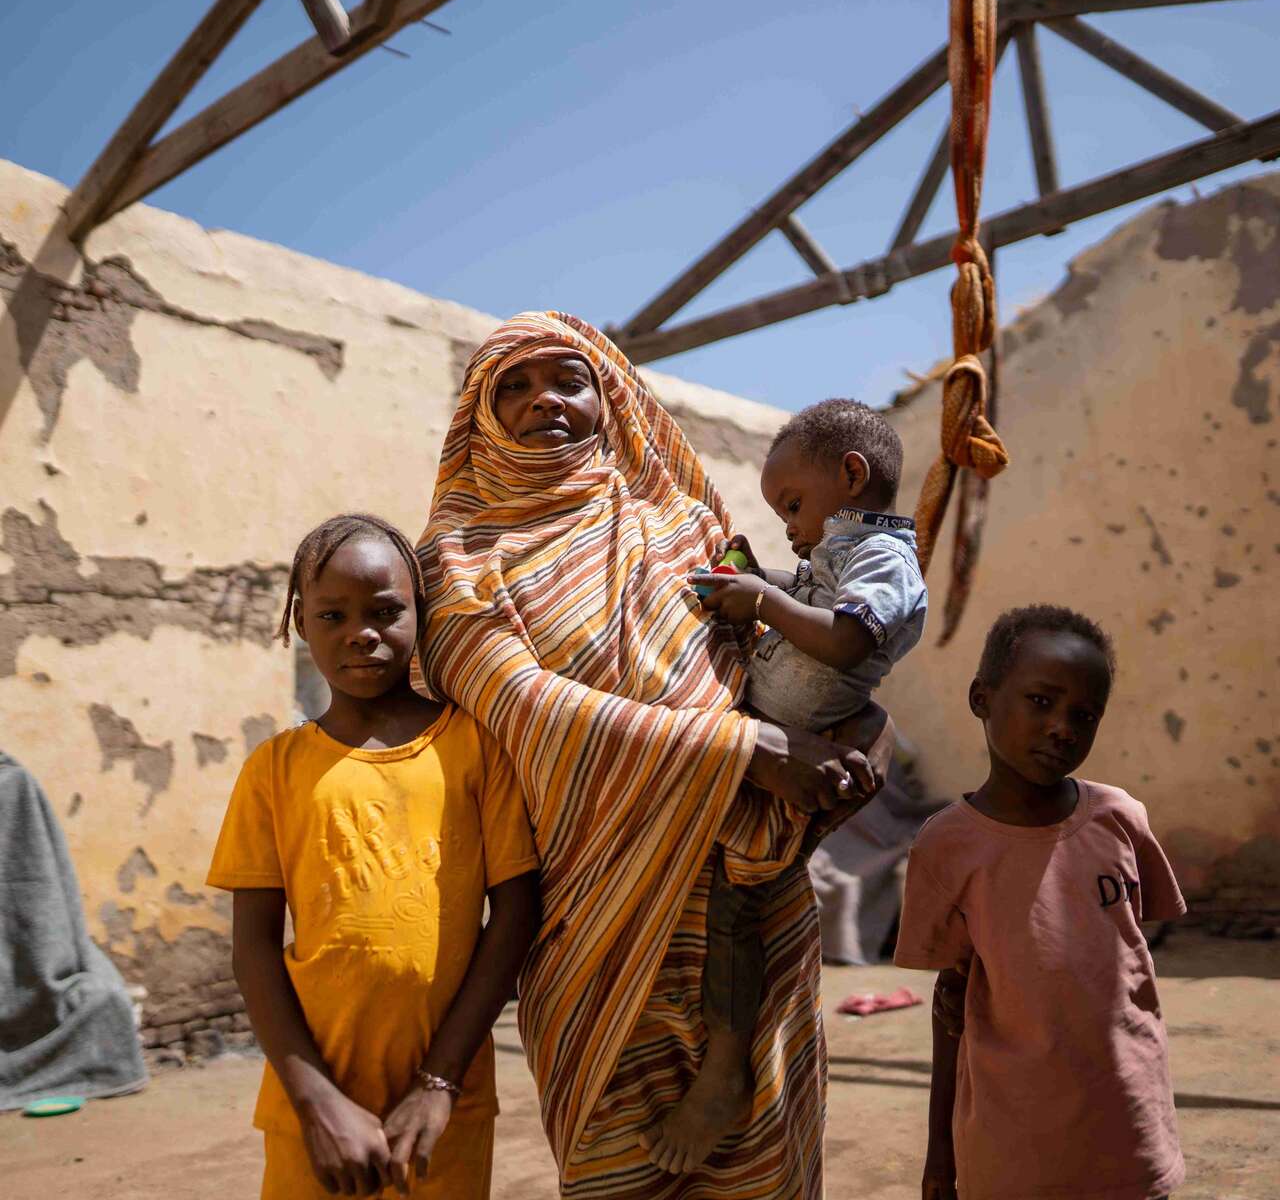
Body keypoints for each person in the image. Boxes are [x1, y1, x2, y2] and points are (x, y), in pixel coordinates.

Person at [417, 311, 892, 1198]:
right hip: (589, 916)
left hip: (746, 889)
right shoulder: (457, 561)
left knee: (761, 1173)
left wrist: (855, 731)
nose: (541, 401)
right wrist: (743, 747)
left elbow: (776, 651)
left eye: (569, 378)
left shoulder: (684, 523)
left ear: (613, 397)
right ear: (478, 416)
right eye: (511, 387)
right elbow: (527, 704)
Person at [208, 514, 540, 1200]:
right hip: (315, 1109)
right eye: (333, 614)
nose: (360, 632)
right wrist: (316, 1101)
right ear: (302, 624)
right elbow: (254, 950)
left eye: (385, 611)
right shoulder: (273, 771)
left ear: (420, 614)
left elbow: (514, 915)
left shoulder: (474, 748)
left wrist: (438, 1084)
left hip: (441, 1111)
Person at [647, 398, 926, 1168]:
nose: (791, 526)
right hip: (771, 725)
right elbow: (807, 602)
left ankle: (727, 1068)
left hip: (809, 745)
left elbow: (843, 638)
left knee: (739, 904)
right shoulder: (837, 554)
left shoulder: (883, 562)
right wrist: (753, 574)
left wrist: (763, 600)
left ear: (852, 475)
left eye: (794, 506)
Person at [895, 604, 1185, 1200]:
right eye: (1041, 701)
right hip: (1012, 1144)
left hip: (1128, 1130)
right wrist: (938, 1160)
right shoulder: (947, 846)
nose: (1063, 728)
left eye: (1084, 714)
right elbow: (950, 1006)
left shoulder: (1119, 820)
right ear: (982, 698)